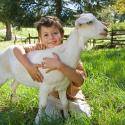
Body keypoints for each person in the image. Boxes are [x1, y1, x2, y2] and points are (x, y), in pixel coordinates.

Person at [13, 16, 91, 119]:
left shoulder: (70, 54)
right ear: (40, 38)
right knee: (50, 118)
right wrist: (29, 66)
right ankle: (58, 111)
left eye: (55, 33)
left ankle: (71, 108)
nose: (51, 38)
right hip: (52, 97)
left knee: (83, 116)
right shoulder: (40, 48)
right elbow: (16, 49)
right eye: (46, 35)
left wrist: (60, 65)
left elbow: (80, 80)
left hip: (73, 97)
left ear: (62, 35)